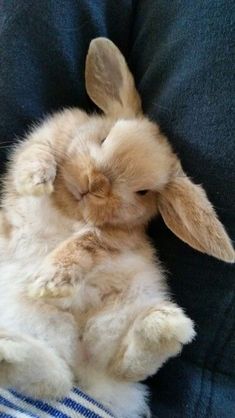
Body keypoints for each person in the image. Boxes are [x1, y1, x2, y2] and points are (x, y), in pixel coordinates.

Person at [0, 1, 234, 417]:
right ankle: (35, 367)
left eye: (141, 191)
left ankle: (138, 349)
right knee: (20, 305)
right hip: (28, 285)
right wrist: (38, 165)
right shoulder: (69, 129)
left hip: (96, 312)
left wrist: (84, 249)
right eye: (103, 145)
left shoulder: (126, 231)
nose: (96, 185)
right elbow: (34, 153)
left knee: (137, 292)